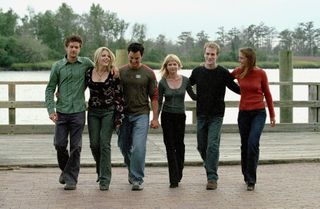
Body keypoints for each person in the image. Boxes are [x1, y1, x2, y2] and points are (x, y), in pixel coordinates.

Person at [189, 41, 240, 190]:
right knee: (201, 146)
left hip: (216, 115)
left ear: (217, 55)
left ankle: (212, 177)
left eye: (213, 54)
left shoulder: (223, 72)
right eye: (208, 54)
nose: (210, 57)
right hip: (201, 114)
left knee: (212, 145)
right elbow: (187, 84)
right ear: (204, 54)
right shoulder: (197, 71)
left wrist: (254, 89)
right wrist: (193, 96)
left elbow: (237, 89)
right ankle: (210, 165)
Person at [45, 35, 94, 190]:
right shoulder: (57, 66)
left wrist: (112, 67)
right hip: (61, 111)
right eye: (71, 46)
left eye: (77, 47)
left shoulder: (86, 63)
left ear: (80, 48)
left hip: (79, 111)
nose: (74, 49)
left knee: (76, 147)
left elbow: (101, 68)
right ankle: (66, 171)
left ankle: (71, 179)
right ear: (66, 47)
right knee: (59, 144)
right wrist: (51, 110)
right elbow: (50, 89)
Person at [231, 47, 276, 191]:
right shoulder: (238, 71)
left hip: (258, 113)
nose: (239, 60)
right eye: (239, 57)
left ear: (249, 59)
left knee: (253, 143)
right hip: (243, 113)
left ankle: (251, 180)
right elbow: (224, 79)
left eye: (242, 58)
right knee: (245, 145)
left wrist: (273, 114)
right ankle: (246, 173)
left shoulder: (261, 73)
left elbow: (268, 94)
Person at [117, 42, 160, 191]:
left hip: (141, 114)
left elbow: (154, 96)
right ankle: (132, 168)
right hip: (123, 115)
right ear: (128, 55)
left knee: (138, 147)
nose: (134, 61)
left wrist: (155, 118)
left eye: (137, 58)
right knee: (123, 146)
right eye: (131, 58)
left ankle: (137, 179)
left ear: (141, 56)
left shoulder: (148, 73)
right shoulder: (120, 72)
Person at [85, 47, 124, 191]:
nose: (106, 58)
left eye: (108, 56)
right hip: (93, 112)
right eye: (103, 56)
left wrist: (119, 117)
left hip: (109, 111)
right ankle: (100, 169)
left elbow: (119, 96)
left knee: (104, 144)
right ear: (97, 57)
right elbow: (79, 88)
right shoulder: (89, 72)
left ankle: (105, 179)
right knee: (94, 144)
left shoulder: (114, 74)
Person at [157, 54, 196, 188]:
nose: (172, 66)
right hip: (167, 116)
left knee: (180, 145)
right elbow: (159, 101)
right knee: (169, 146)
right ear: (166, 67)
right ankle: (173, 178)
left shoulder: (185, 81)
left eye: (175, 64)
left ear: (178, 65)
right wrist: (155, 118)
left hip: (180, 116)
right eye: (170, 64)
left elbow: (194, 96)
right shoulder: (162, 82)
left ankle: (179, 170)